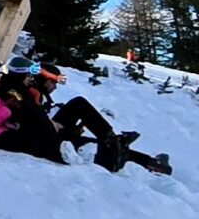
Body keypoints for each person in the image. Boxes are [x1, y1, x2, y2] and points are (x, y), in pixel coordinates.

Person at [26, 59, 171, 178]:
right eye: (53, 83)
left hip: (47, 136)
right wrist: (53, 125)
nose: (55, 87)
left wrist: (69, 130)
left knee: (105, 144)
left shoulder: (38, 95)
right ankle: (119, 145)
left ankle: (150, 163)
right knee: (79, 104)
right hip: (43, 140)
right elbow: (30, 121)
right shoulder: (29, 94)